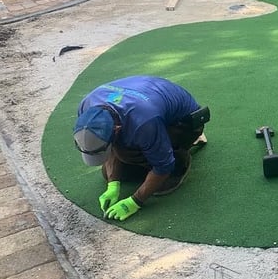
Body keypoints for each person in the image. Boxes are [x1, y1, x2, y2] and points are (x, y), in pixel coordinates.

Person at [73, 76, 210, 221]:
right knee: (112, 172)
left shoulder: (144, 122)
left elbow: (163, 166)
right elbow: (112, 143)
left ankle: (179, 158)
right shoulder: (86, 105)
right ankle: (151, 151)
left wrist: (135, 201)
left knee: (163, 181)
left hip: (185, 122)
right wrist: (113, 184)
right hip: (144, 102)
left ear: (117, 129)